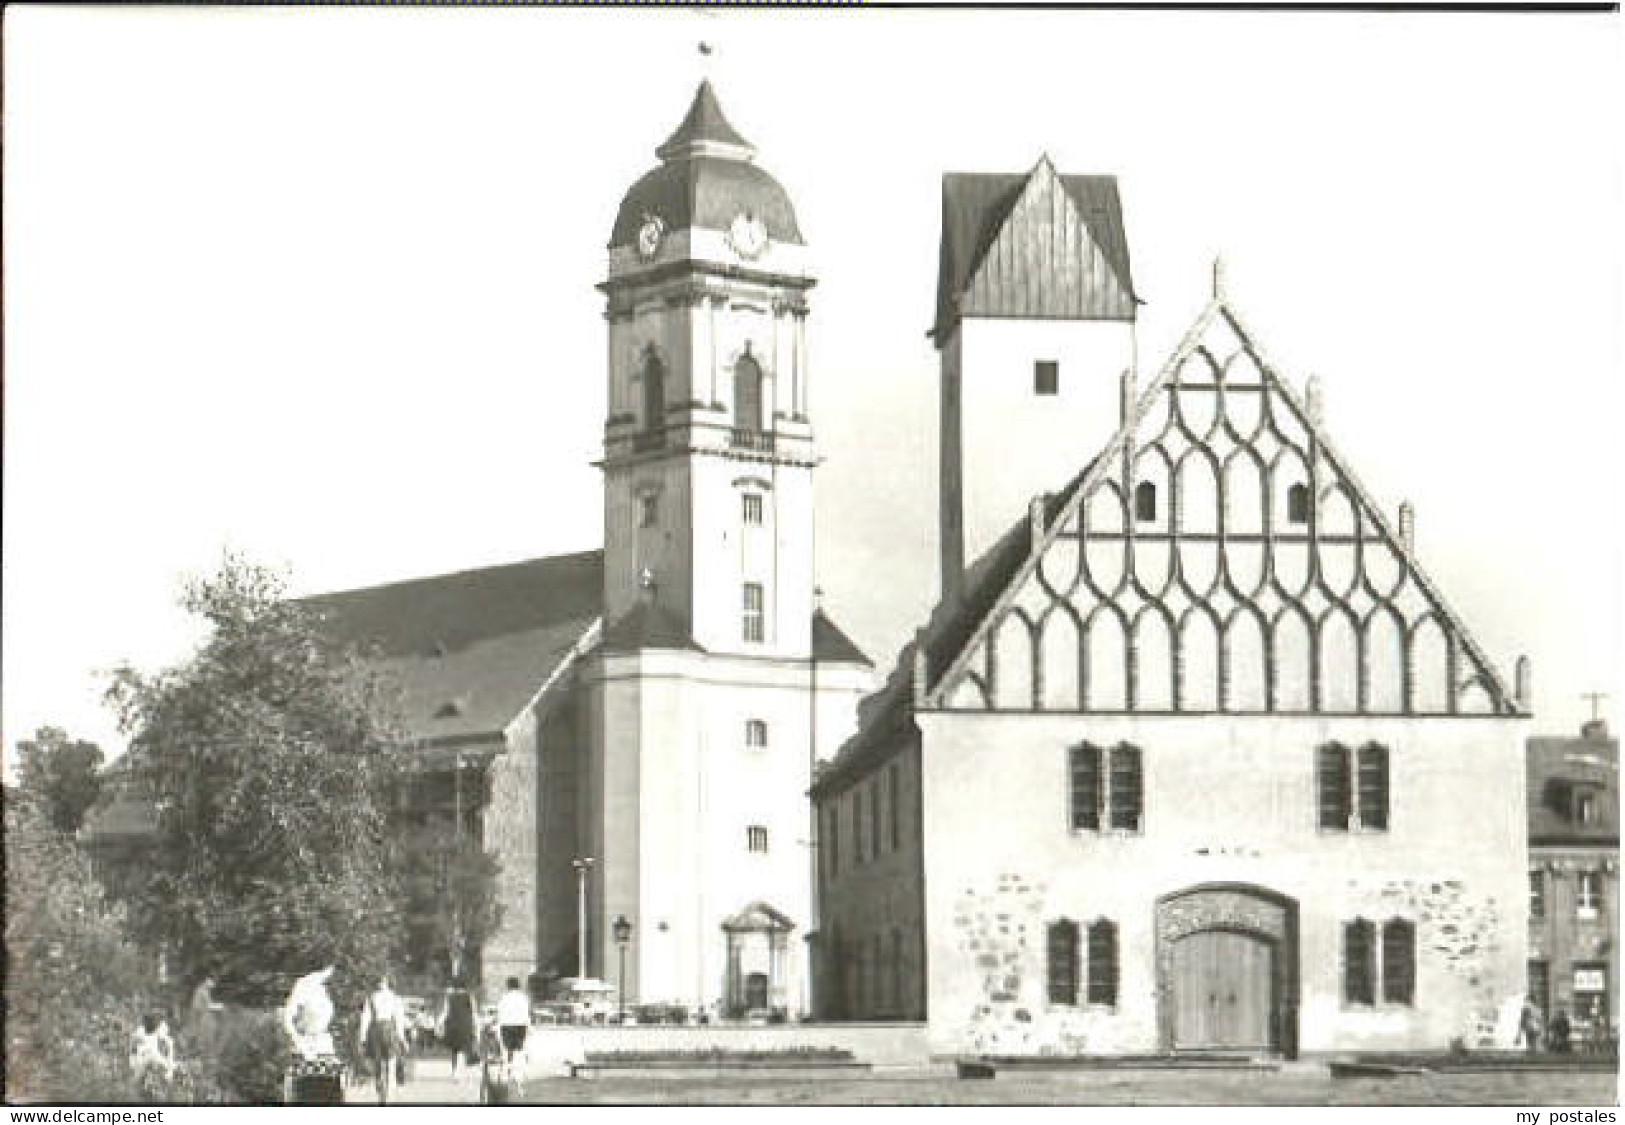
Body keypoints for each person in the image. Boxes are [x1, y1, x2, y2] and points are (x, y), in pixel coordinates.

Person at [358, 973, 410, 1104]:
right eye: (381, 982)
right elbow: (398, 1019)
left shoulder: (380, 998)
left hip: (381, 1030)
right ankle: (385, 1091)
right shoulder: (387, 998)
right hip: (383, 1030)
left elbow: (366, 1018)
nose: (381, 984)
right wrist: (402, 1038)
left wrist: (363, 1037)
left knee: (384, 1062)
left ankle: (384, 1091)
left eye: (382, 982)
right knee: (385, 1062)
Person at [283, 966, 338, 1061]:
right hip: (307, 1044)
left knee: (331, 1072)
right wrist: (297, 1038)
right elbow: (288, 1017)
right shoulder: (306, 984)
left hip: (323, 1043)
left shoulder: (322, 988)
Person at [130, 1012, 176, 1099]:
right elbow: (133, 1049)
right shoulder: (139, 1032)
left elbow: (168, 1052)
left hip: (154, 1059)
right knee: (140, 1082)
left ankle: (154, 1090)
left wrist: (169, 1072)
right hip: (143, 1059)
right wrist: (134, 1064)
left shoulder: (162, 1033)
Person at [495, 977, 531, 1086]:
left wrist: (497, 1025)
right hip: (521, 1025)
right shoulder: (523, 998)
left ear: (508, 986)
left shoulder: (504, 998)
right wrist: (529, 1027)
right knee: (519, 1050)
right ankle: (518, 1074)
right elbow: (526, 1013)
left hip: (506, 1026)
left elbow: (499, 1013)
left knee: (507, 1051)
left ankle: (507, 1073)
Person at [440, 977, 478, 1078]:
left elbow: (445, 1011)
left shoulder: (450, 997)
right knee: (466, 1047)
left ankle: (454, 1071)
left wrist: (439, 1023)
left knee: (455, 1050)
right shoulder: (470, 997)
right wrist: (476, 1025)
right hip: (466, 1024)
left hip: (453, 1025)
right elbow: (474, 1012)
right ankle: (464, 1071)